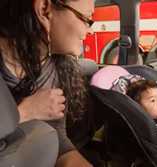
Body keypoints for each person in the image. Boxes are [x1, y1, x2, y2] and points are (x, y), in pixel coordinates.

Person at [0, 0, 100, 166]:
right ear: (45, 10)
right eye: (86, 19)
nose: (89, 31)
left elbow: (56, 136)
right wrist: (24, 112)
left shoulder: (55, 69)